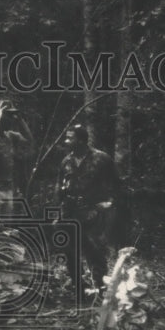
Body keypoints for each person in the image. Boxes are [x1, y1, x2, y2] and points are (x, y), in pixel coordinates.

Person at [56, 124, 121, 291]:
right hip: (70, 212)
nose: (67, 141)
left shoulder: (101, 159)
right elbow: (59, 187)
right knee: (70, 250)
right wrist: (58, 210)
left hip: (93, 212)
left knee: (95, 249)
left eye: (71, 138)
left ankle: (100, 285)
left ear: (81, 140)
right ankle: (78, 284)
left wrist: (110, 202)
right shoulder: (66, 161)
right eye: (67, 137)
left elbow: (117, 184)